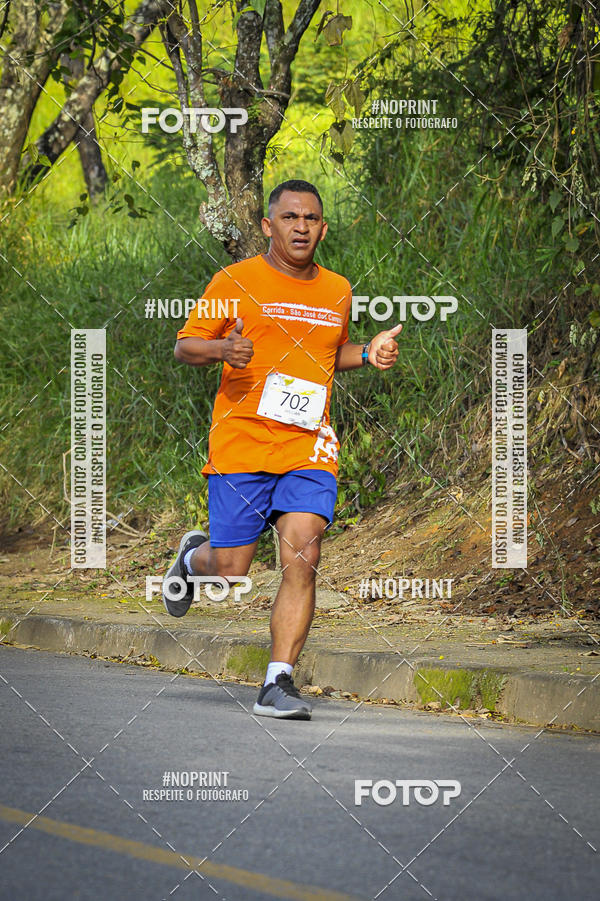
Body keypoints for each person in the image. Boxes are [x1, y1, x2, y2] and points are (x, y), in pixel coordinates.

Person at [164, 179, 402, 720]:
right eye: (290, 217)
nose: (301, 226)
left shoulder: (337, 289)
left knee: (304, 553)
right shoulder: (234, 280)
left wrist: (368, 352)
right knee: (229, 570)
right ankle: (191, 558)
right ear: (269, 226)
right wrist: (223, 347)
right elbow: (184, 345)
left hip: (307, 444)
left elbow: (326, 354)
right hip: (243, 442)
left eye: (311, 218)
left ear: (322, 227)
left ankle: (278, 682)